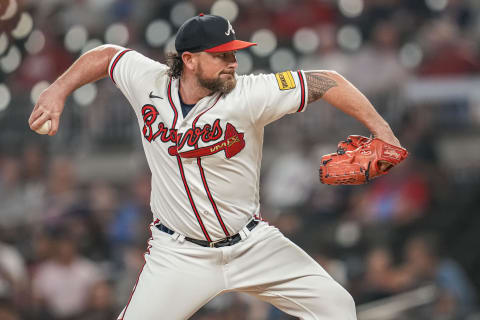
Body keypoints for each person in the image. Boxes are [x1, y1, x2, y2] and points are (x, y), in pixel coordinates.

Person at [29, 14, 402, 320]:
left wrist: (384, 132)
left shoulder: (250, 93)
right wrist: (57, 91)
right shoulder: (149, 82)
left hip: (252, 244)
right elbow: (107, 55)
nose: (232, 63)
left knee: (338, 307)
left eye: (233, 53)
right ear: (189, 59)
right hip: (179, 254)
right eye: (221, 55)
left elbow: (328, 81)